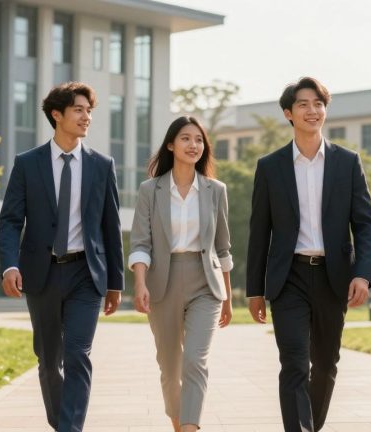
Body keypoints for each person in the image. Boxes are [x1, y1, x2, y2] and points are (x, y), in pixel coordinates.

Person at [246, 76, 371, 431]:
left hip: (334, 277)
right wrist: (254, 290)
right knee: (293, 363)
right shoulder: (270, 167)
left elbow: (365, 223)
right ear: (289, 113)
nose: (312, 110)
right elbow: (260, 232)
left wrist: (362, 274)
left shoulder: (347, 163)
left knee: (325, 364)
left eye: (318, 103)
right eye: (303, 104)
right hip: (288, 278)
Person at [0, 81, 124, 432]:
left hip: (87, 273)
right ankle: (61, 424)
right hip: (43, 274)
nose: (87, 117)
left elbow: (110, 227)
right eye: (79, 110)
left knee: (78, 354)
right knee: (49, 361)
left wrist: (115, 282)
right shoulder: (28, 164)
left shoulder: (101, 165)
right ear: (57, 115)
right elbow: (10, 220)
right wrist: (9, 264)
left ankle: (70, 429)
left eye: (89, 111)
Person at [128, 115, 233, 432]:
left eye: (199, 140)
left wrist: (226, 298)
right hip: (163, 281)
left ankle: (190, 427)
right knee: (170, 367)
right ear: (171, 145)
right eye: (186, 138)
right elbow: (141, 242)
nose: (193, 145)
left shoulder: (216, 190)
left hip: (206, 283)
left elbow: (223, 247)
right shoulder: (151, 190)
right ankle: (178, 423)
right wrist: (140, 283)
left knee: (194, 361)